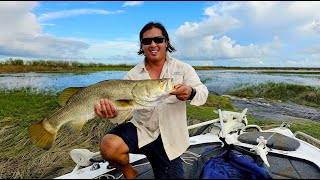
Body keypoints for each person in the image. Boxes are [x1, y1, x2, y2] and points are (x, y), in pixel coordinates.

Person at [94, 21, 209, 179]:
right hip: (142, 130)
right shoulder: (132, 76)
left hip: (170, 138)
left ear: (166, 42)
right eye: (147, 41)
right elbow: (122, 113)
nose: (153, 44)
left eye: (158, 39)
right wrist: (112, 113)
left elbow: (203, 93)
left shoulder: (183, 69)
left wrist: (191, 92)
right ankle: (129, 172)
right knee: (109, 146)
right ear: (141, 46)